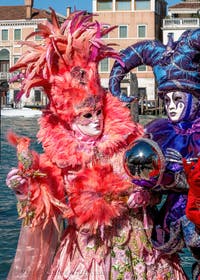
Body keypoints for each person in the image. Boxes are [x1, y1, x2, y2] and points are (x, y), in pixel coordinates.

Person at [6, 9, 187, 279]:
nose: (95, 121)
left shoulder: (130, 139)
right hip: (83, 254)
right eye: (86, 116)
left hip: (137, 247)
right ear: (68, 120)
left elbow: (157, 182)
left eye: (98, 112)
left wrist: (145, 195)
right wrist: (25, 186)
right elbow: (47, 203)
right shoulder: (59, 158)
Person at [109, 29, 200, 279]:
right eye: (167, 99)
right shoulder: (158, 133)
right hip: (172, 215)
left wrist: (176, 176)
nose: (171, 107)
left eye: (178, 99)